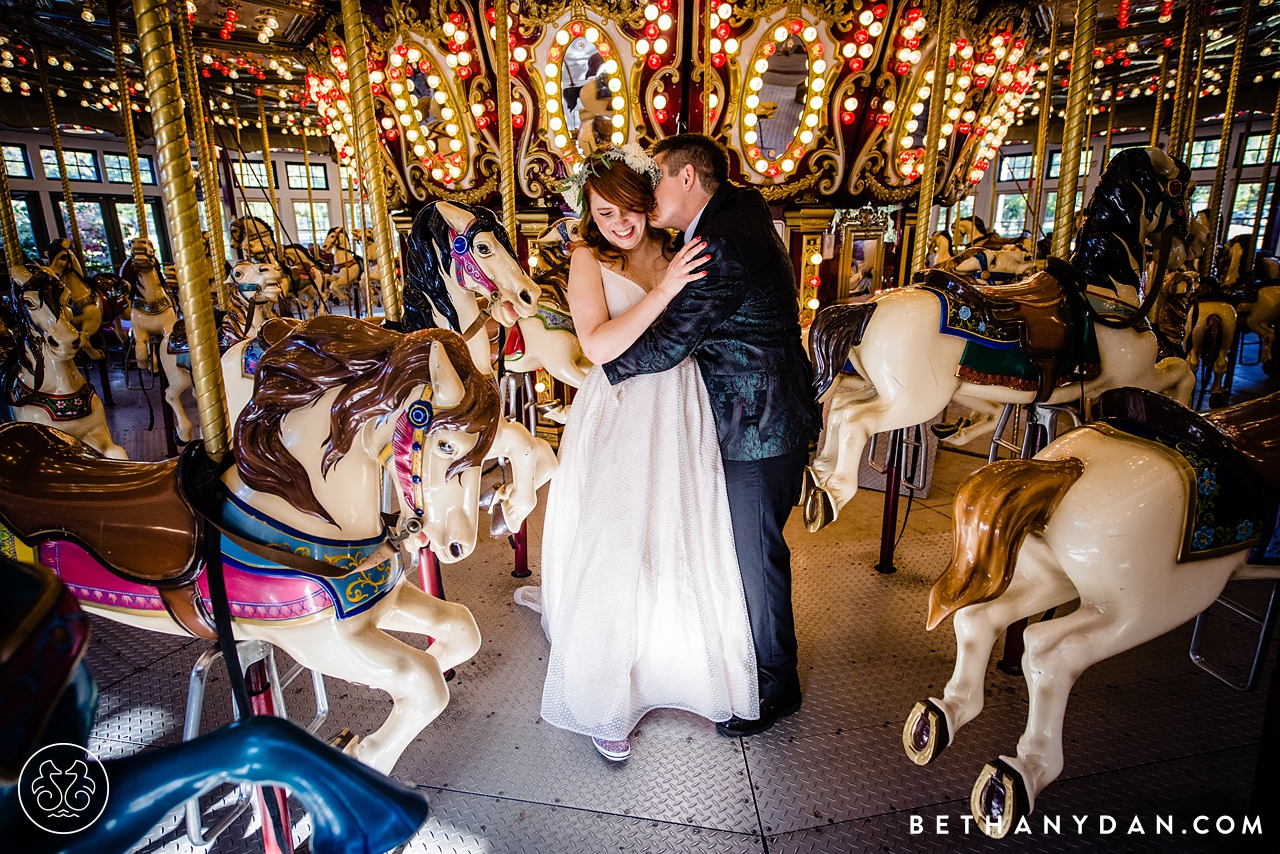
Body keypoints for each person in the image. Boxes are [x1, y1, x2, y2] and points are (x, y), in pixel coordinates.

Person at [534, 145, 760, 762]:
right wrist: (664, 292)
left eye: (629, 208)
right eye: (604, 213)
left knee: (680, 529)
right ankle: (606, 694)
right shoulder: (588, 258)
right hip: (621, 407)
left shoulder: (673, 243)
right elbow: (599, 345)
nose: (620, 224)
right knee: (617, 538)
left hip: (680, 400)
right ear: (590, 215)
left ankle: (678, 668)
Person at [603, 133, 823, 738]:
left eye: (657, 182)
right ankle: (754, 659)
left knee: (757, 557)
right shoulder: (741, 213)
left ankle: (779, 684)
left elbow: (676, 338)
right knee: (749, 549)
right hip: (767, 412)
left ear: (687, 180)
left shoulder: (719, 242)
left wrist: (604, 368)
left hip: (757, 423)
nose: (648, 197)